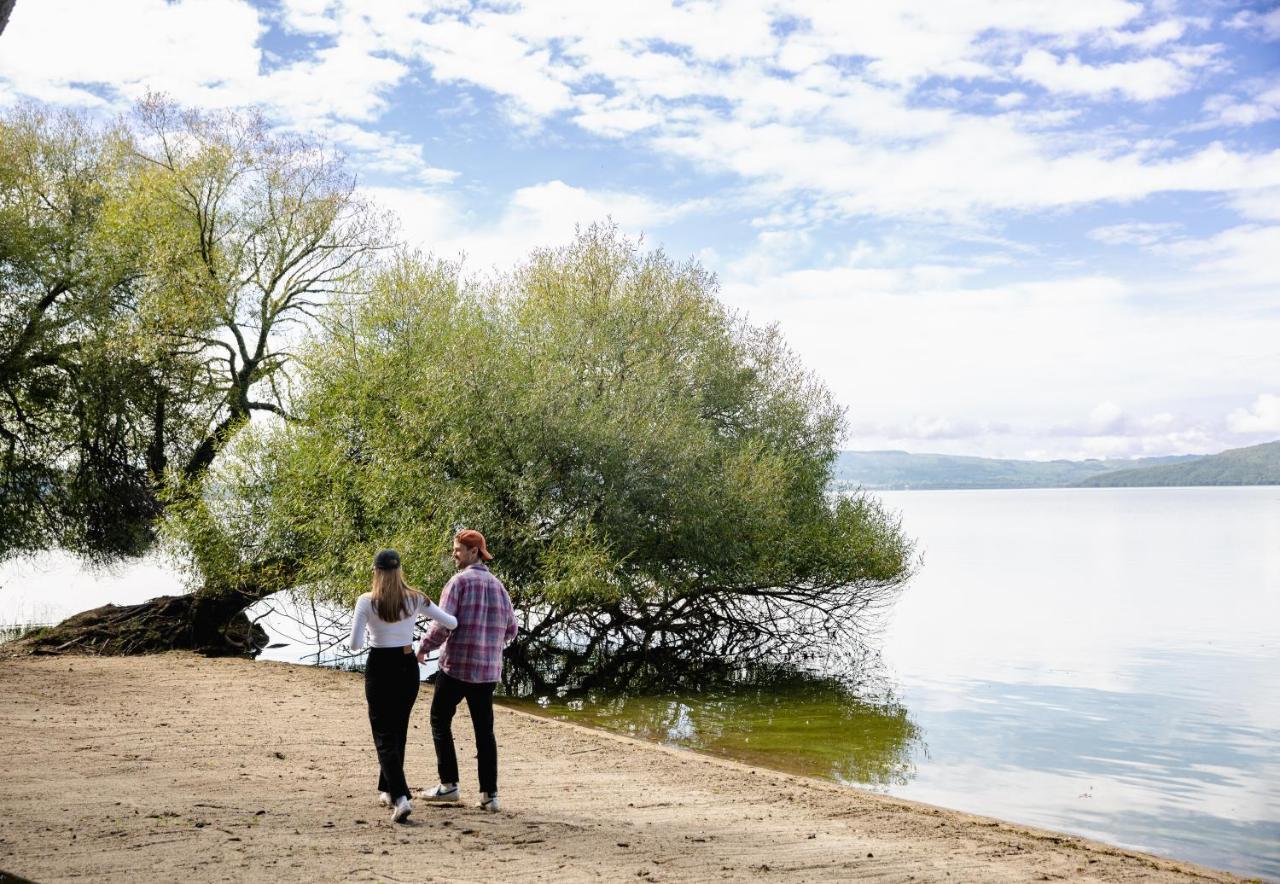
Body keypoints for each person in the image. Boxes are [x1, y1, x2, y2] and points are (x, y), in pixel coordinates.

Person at [349, 548, 457, 824]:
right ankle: (387, 789)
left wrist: (375, 629)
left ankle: (400, 797)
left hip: (380, 665)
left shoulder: (366, 601)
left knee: (383, 734)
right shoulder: (416, 598)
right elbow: (451, 622)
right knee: (398, 730)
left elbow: (355, 644)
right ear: (399, 572)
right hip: (407, 665)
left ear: (376, 572)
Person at [417, 529, 518, 812]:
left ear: (474, 552)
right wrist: (489, 638)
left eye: (458, 549)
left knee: (439, 719)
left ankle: (449, 786)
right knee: (484, 732)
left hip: (457, 667)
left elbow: (443, 624)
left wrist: (424, 647)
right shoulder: (499, 586)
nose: (454, 553)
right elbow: (512, 629)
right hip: (487, 671)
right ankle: (490, 796)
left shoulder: (458, 583)